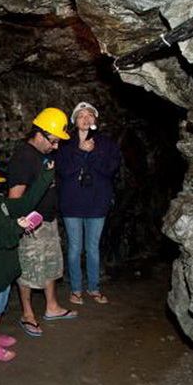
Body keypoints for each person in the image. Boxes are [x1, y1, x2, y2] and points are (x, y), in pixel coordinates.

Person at [0, 157, 54, 362]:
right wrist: (17, 227)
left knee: (0, 302)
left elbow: (25, 203)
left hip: (2, 265)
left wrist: (45, 177)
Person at [7, 108, 77, 337]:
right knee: (28, 269)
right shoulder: (23, 156)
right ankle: (27, 313)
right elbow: (15, 198)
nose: (56, 146)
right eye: (53, 141)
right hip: (31, 226)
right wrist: (23, 224)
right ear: (40, 134)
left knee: (50, 265)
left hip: (47, 220)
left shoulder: (43, 154)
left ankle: (52, 306)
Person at [56, 102, 122, 305]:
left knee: (93, 247)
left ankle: (94, 287)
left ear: (95, 119)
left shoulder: (107, 143)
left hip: (96, 202)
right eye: (81, 116)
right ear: (75, 121)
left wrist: (91, 154)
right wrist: (79, 151)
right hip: (72, 202)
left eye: (90, 115)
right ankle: (76, 289)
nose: (86, 119)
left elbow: (111, 169)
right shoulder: (65, 144)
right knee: (75, 247)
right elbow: (63, 170)